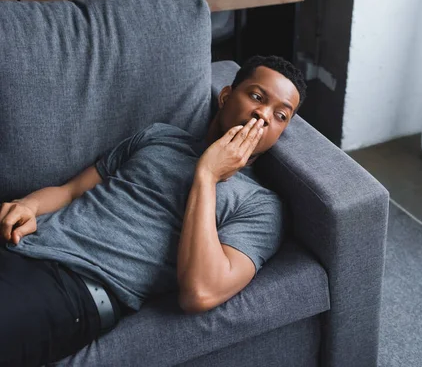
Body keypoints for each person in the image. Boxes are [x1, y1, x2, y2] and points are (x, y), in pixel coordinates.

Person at [0, 55, 307, 367]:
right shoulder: (159, 136)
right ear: (226, 96)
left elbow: (200, 293)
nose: (263, 115)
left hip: (76, 288)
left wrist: (207, 176)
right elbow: (72, 190)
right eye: (257, 97)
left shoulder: (261, 205)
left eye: (280, 116)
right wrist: (29, 205)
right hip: (23, 246)